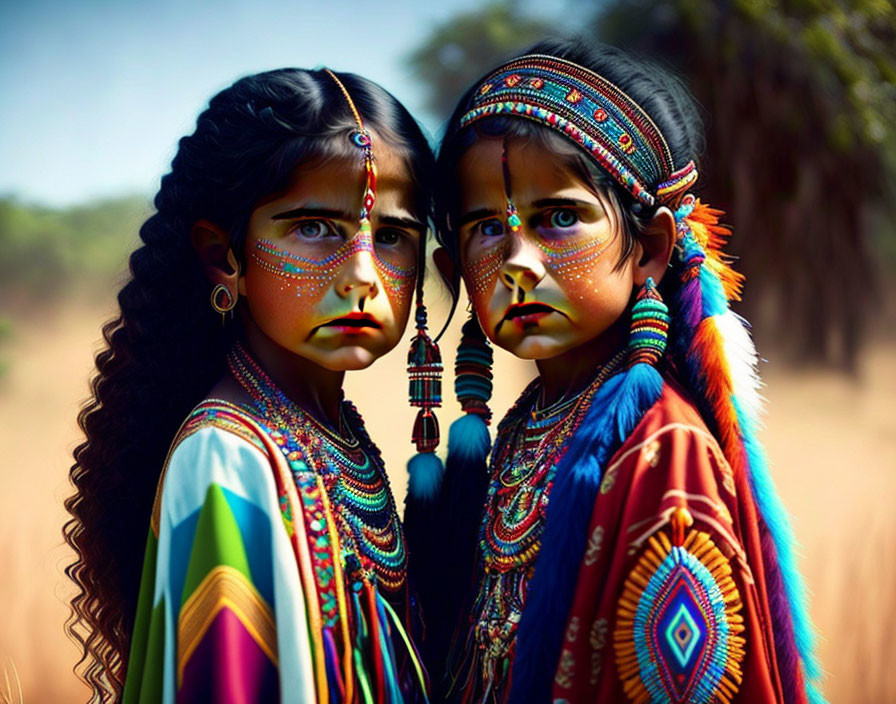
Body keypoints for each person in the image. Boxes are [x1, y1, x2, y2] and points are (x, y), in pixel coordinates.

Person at [405, 40, 824, 703]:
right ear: (454, 268)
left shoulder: (665, 454)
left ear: (651, 250)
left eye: (560, 217)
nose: (518, 261)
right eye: (487, 228)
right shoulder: (530, 422)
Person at [65, 67, 440, 703]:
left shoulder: (331, 430)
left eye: (393, 236)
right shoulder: (227, 460)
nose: (361, 275)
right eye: (315, 227)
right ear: (225, 255)